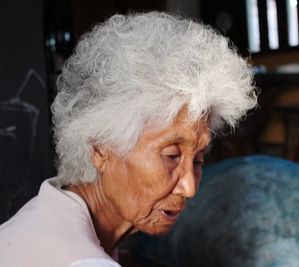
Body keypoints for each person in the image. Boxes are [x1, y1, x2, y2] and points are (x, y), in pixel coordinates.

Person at [0, 12, 257, 267]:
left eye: (198, 160)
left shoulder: (43, 213)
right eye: (171, 156)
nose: (189, 187)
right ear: (101, 147)